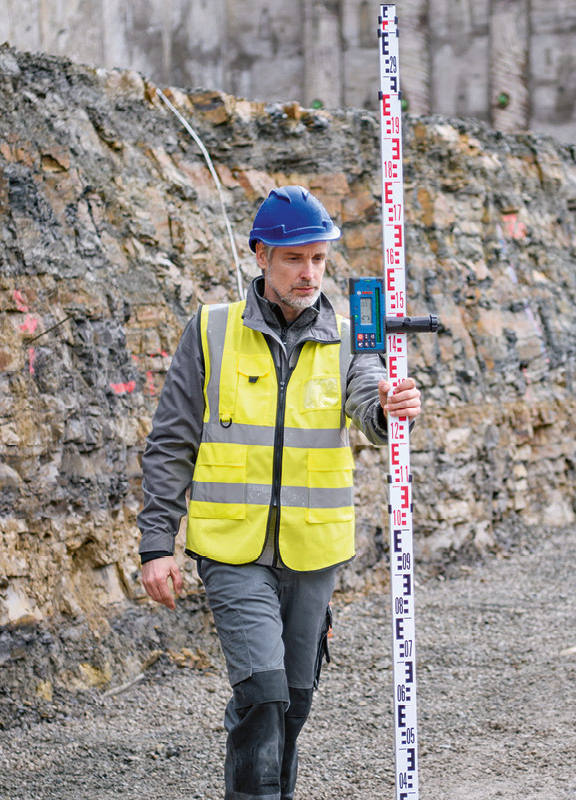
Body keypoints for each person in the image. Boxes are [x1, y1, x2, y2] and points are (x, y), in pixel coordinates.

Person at [137, 185, 422, 800]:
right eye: (295, 258)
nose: (308, 272)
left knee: (293, 704)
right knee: (262, 696)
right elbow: (171, 441)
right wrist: (157, 543)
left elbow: (368, 403)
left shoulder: (351, 336)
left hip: (312, 553)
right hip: (232, 553)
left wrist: (388, 408)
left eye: (319, 259)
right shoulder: (211, 331)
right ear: (262, 255)